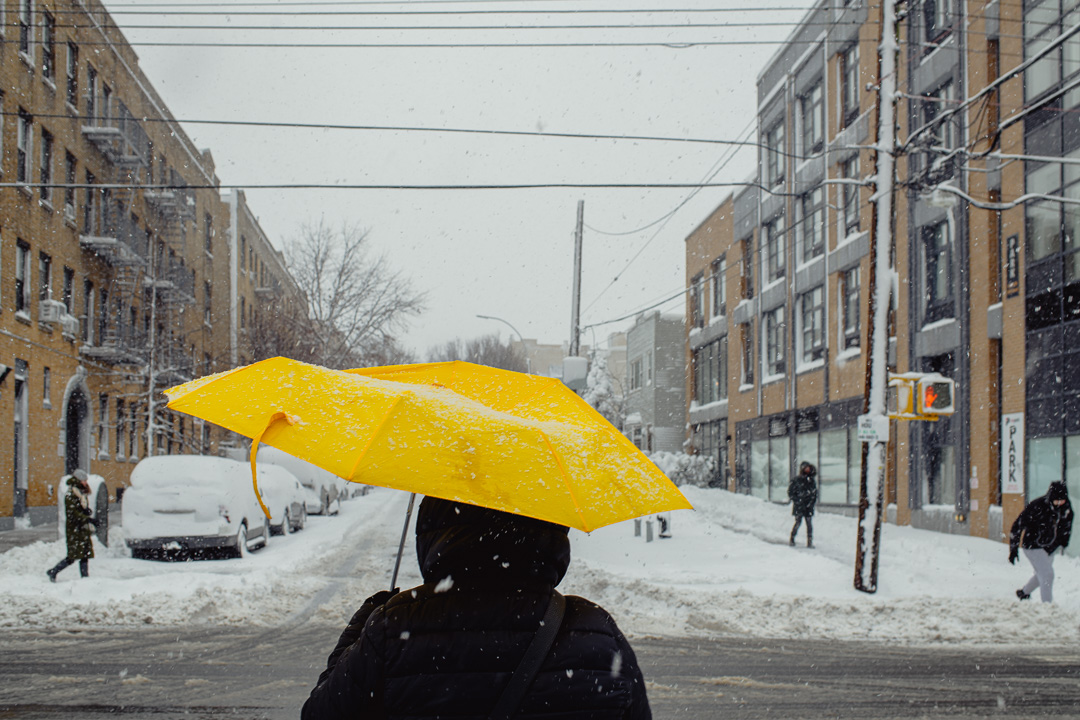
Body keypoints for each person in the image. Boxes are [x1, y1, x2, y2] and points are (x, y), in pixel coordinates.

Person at [302, 496, 652, 719]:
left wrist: (361, 628)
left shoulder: (395, 627)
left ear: (434, 530)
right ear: (549, 526)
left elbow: (320, 714)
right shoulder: (596, 633)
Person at [1009, 481, 1072, 603]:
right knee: (1047, 574)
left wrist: (1057, 545)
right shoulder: (1037, 506)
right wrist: (1013, 548)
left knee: (1042, 574)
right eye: (1056, 501)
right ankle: (1047, 606)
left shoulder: (1066, 509)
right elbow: (1017, 525)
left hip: (1049, 547)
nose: (1059, 504)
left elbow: (1065, 530)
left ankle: (1024, 593)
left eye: (1062, 501)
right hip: (1033, 546)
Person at [46, 469, 97, 582]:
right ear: (78, 480)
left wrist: (86, 512)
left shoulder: (80, 493)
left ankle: (85, 578)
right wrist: (87, 519)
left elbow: (78, 510)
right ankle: (53, 571)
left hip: (82, 529)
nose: (85, 483)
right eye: (83, 480)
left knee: (85, 554)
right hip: (74, 530)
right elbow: (73, 513)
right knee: (73, 556)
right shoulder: (71, 494)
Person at [788, 461, 818, 548]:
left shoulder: (811, 480)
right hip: (799, 506)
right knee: (798, 522)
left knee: (809, 524)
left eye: (808, 468)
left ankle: (809, 541)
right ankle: (792, 538)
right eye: (805, 468)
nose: (807, 469)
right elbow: (791, 492)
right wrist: (797, 500)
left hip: (808, 506)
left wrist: (811, 502)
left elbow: (814, 493)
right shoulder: (797, 480)